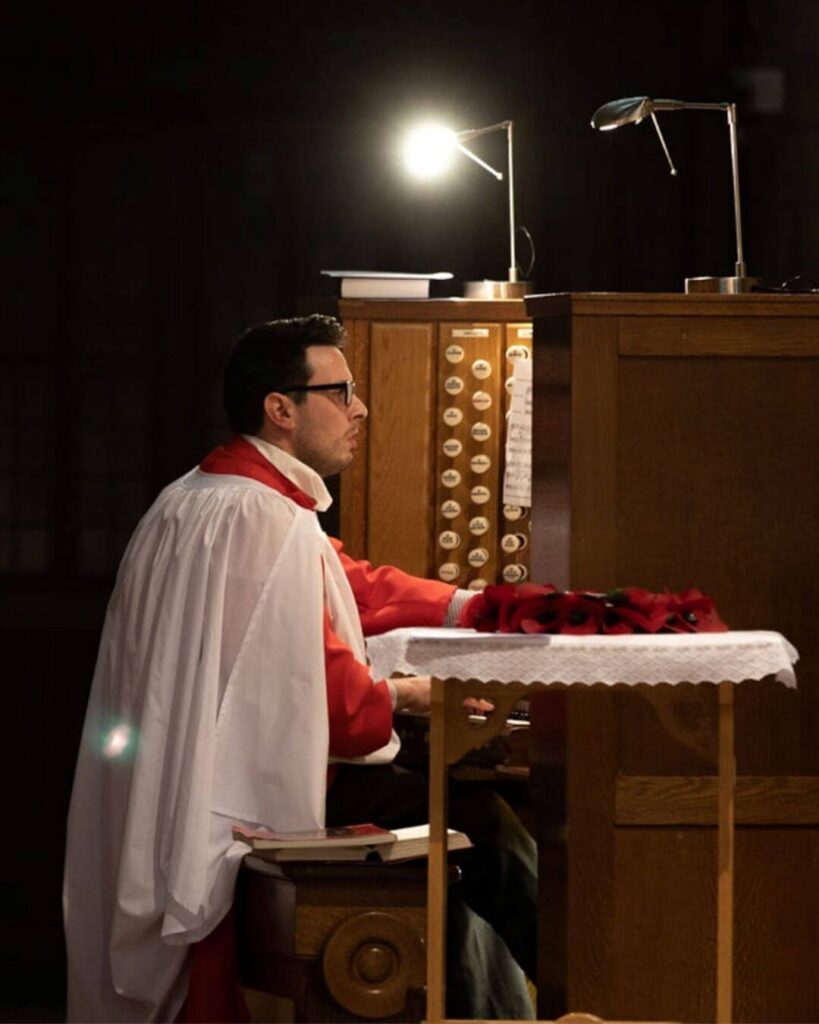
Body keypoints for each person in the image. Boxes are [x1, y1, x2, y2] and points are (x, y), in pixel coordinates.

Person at [63, 314, 538, 1022]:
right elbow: (336, 711)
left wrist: (473, 607)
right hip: (246, 804)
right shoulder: (262, 518)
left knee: (462, 832)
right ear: (280, 409)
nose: (360, 408)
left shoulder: (193, 498)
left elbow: (352, 587)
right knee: (489, 829)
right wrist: (416, 692)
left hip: (171, 792)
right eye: (341, 391)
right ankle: (590, 995)